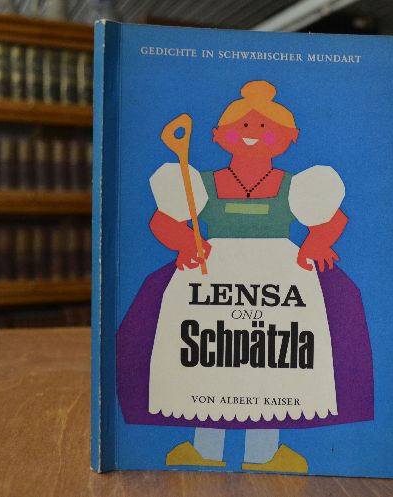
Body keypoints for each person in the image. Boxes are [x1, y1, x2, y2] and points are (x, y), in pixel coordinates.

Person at [116, 80, 373, 473]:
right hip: (208, 278)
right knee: (208, 359)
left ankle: (263, 454)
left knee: (271, 361)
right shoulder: (199, 182)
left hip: (281, 282)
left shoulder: (295, 186)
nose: (252, 134)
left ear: (288, 138)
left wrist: (316, 242)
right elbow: (162, 220)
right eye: (244, 127)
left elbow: (333, 219)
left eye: (264, 128)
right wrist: (185, 241)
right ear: (219, 136)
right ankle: (205, 450)